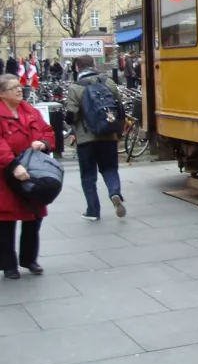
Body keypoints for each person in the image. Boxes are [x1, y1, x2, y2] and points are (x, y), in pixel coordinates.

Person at [0, 73, 55, 279]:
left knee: (34, 216)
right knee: (6, 221)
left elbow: (47, 131)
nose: (19, 89)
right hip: (5, 175)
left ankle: (29, 259)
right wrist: (12, 165)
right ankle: (8, 265)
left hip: (32, 172)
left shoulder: (29, 110)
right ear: (2, 94)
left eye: (19, 85)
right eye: (13, 87)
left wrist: (44, 143)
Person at [64, 55, 127, 221]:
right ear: (93, 65)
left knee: (88, 176)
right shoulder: (109, 83)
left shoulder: (75, 88)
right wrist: (118, 131)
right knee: (110, 169)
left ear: (78, 68)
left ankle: (93, 210)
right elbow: (120, 108)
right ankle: (115, 192)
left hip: (86, 139)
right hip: (108, 134)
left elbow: (71, 116)